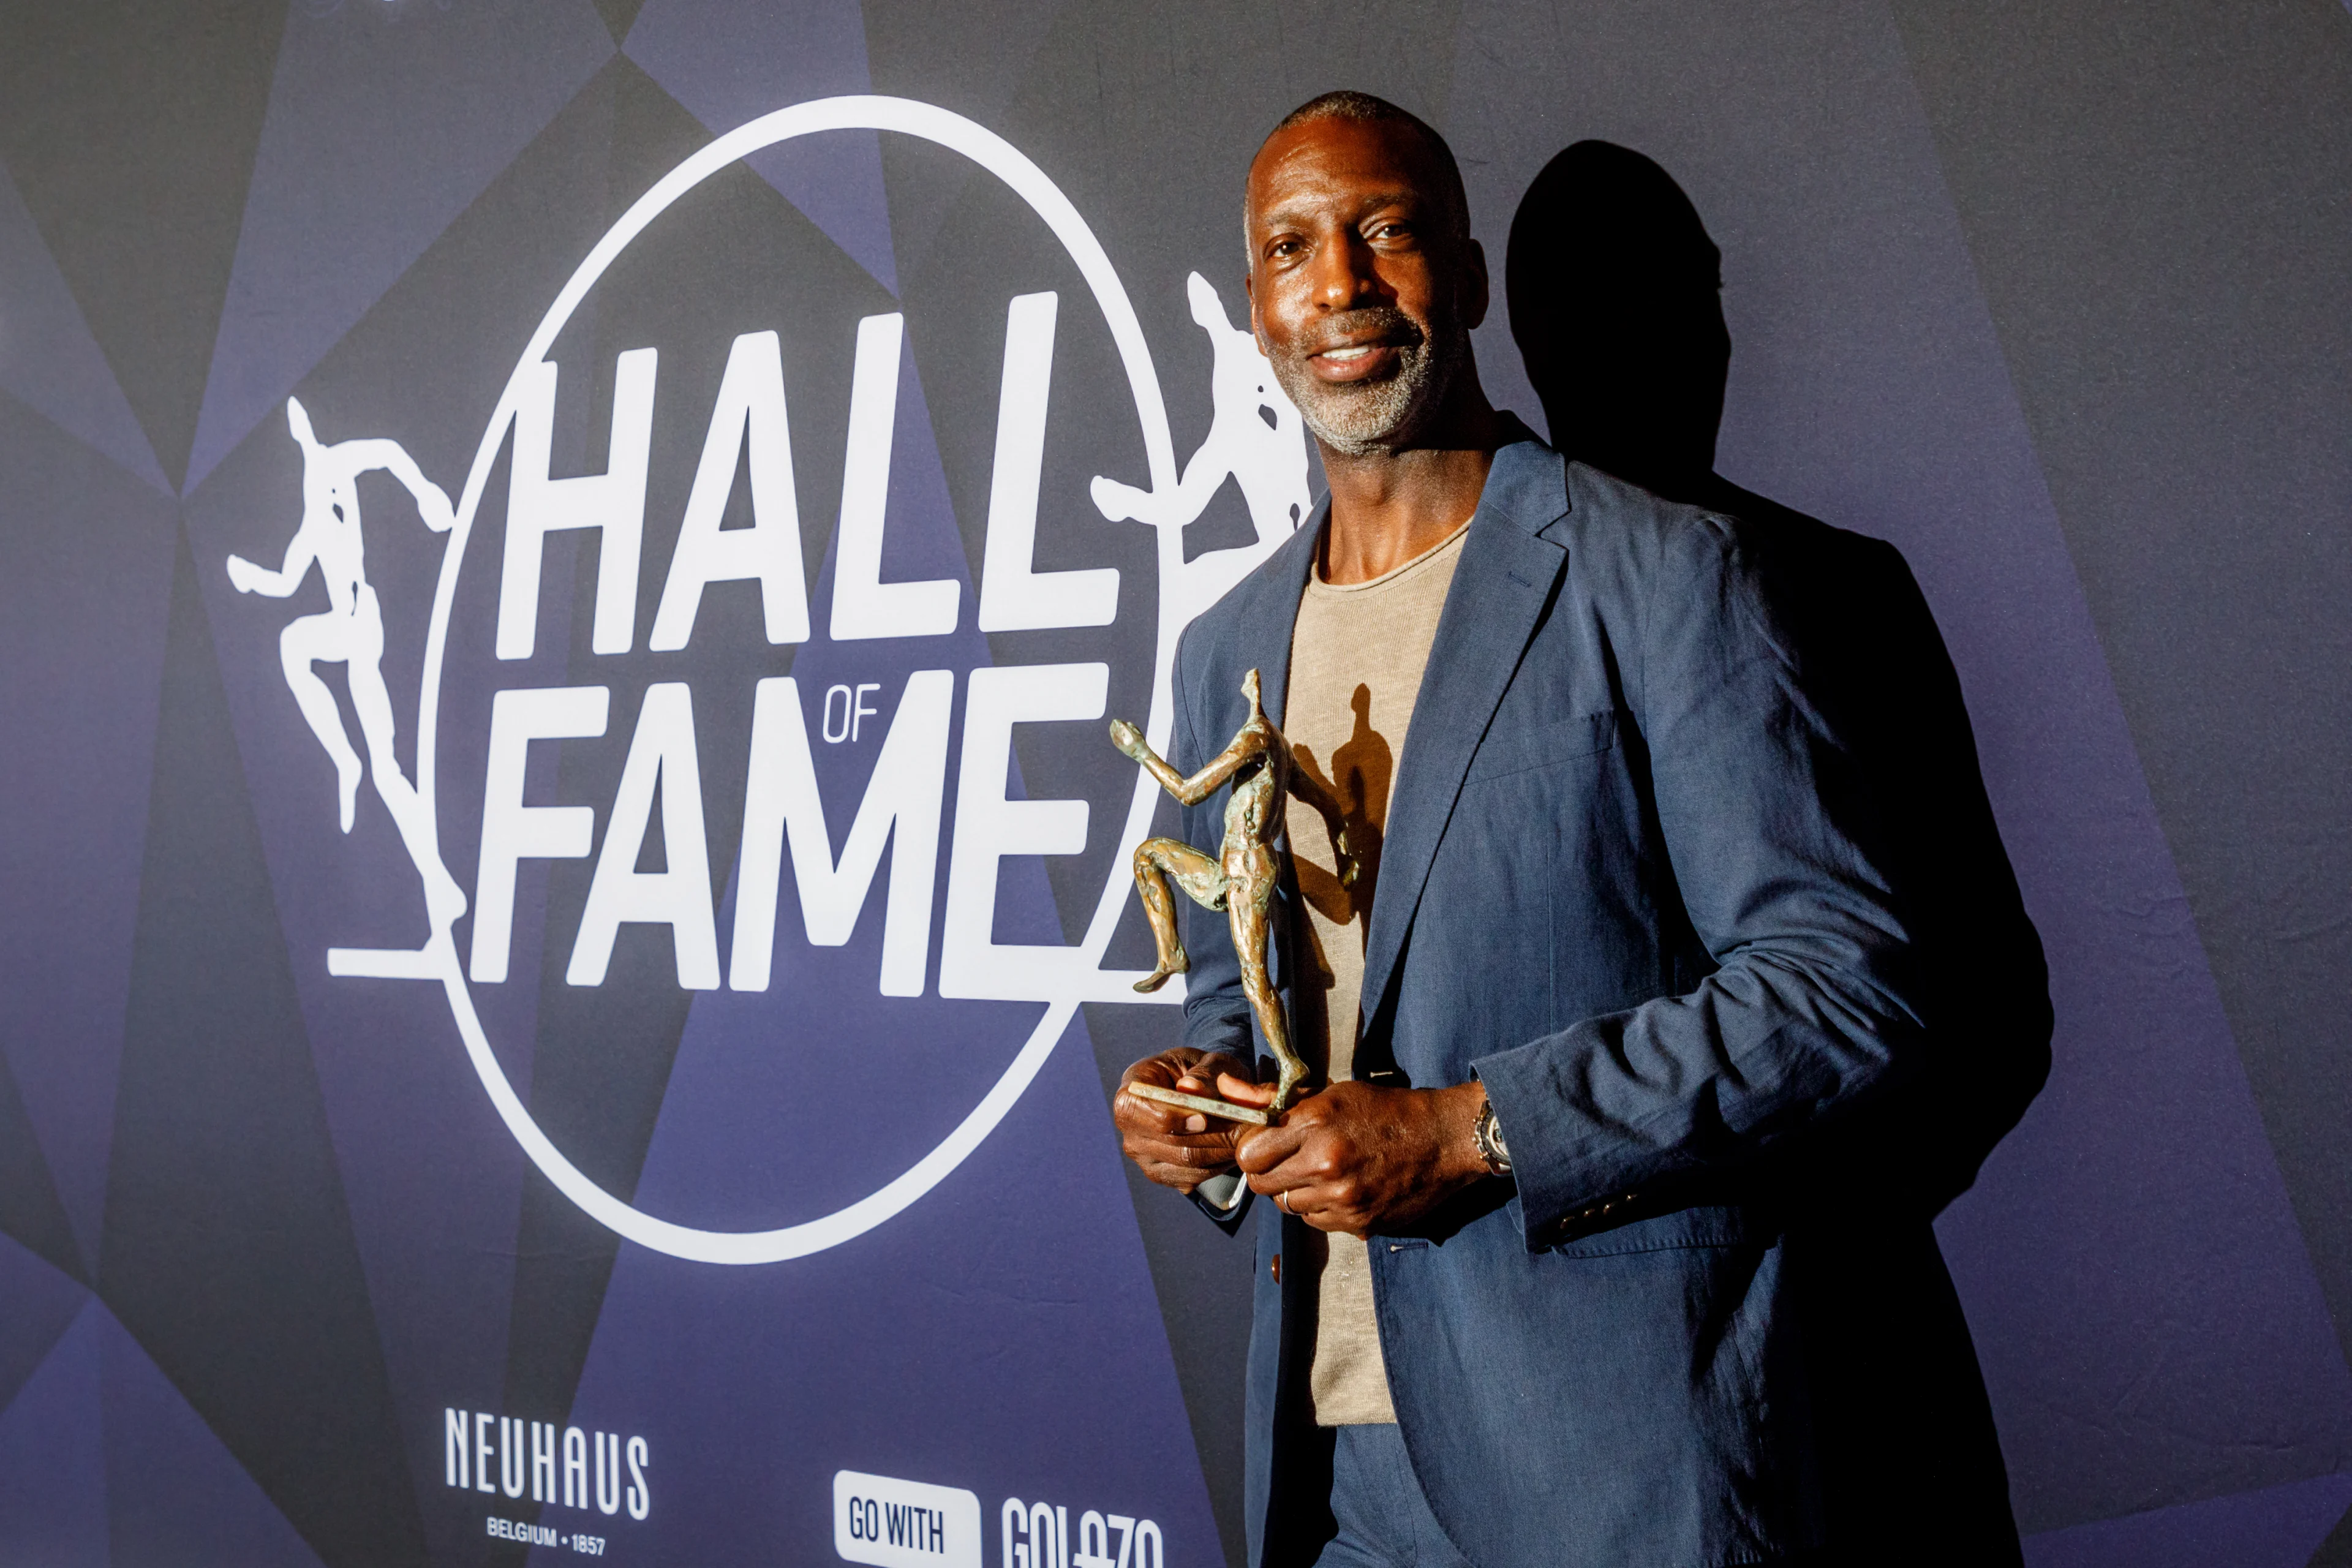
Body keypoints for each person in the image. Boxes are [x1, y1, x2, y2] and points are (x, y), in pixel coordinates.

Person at [1109, 94, 2050, 1567]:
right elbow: (1252, 1000)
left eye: (1385, 232)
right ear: (1256, 308)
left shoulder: (1672, 573)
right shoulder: (1226, 638)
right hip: (1337, 1483)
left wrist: (1474, 1132)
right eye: (1295, 248)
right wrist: (1206, 1106)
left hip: (1618, 1474)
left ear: (1469, 280)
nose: (1341, 284)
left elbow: (1841, 988)